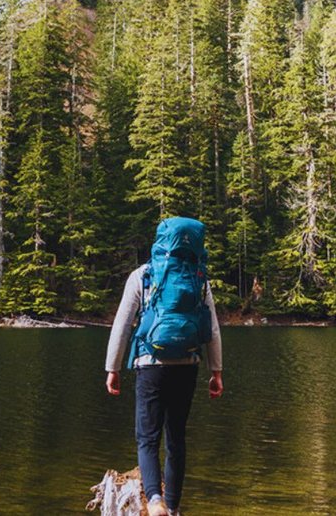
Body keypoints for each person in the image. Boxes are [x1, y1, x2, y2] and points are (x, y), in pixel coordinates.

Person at [106, 217, 224, 516]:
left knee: (147, 438)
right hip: (187, 363)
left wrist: (113, 368)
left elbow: (122, 323)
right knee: (176, 437)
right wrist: (216, 372)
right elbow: (212, 328)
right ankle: (172, 507)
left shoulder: (144, 274)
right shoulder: (198, 277)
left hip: (150, 364)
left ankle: (155, 500)